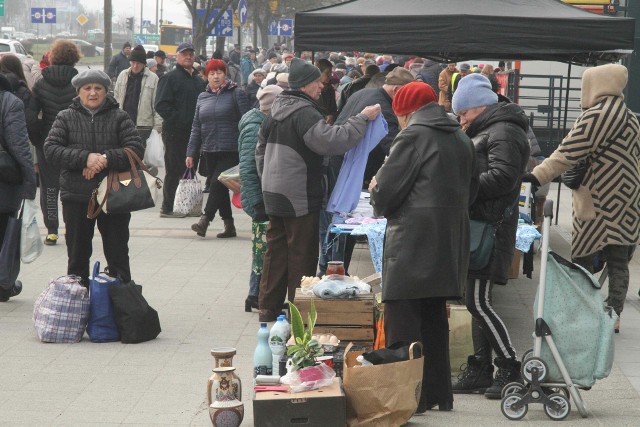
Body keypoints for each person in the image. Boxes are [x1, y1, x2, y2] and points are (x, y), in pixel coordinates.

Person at [369, 81, 475, 413]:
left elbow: (386, 193)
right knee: (433, 317)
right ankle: (438, 394)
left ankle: (410, 397)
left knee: (402, 317)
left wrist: (375, 187)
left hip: (414, 240)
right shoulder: (459, 136)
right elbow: (470, 191)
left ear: (406, 112)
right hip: (448, 239)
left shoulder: (414, 135)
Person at [255, 58, 381, 322]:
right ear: (305, 85)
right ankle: (298, 313)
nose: (321, 88)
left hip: (273, 192)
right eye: (317, 83)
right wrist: (362, 118)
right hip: (298, 194)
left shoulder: (276, 110)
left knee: (275, 251)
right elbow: (332, 141)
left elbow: (260, 153)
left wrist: (267, 179)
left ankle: (267, 308)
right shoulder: (304, 113)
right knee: (302, 252)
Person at [524, 64, 640, 333]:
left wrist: (538, 175)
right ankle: (613, 314)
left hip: (598, 199)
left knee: (584, 257)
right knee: (618, 260)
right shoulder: (630, 117)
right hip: (626, 199)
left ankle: (584, 312)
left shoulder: (597, 115)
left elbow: (568, 151)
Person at [450, 73, 530, 399]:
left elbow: (503, 177)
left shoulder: (504, 131)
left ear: (479, 107)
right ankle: (481, 367)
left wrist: (460, 186)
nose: (461, 119)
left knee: (478, 301)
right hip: (483, 226)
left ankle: (510, 367)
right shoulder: (492, 128)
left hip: (491, 230)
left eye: (464, 113)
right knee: (475, 301)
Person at [43, 70, 145, 286]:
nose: (92, 93)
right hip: (76, 196)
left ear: (106, 91)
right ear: (79, 92)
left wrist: (105, 159)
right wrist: (85, 158)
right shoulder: (65, 117)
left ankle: (121, 309)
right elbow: (51, 149)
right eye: (87, 88)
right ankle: (78, 306)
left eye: (98, 88)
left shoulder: (120, 117)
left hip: (114, 196)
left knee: (118, 257)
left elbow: (136, 148)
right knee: (77, 259)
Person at [186, 59, 250, 238]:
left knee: (216, 184)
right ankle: (229, 226)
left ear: (225, 74)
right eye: (212, 73)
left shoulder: (236, 93)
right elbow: (196, 126)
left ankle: (204, 220)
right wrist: (191, 152)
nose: (216, 76)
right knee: (219, 188)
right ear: (206, 76)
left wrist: (247, 147)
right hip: (209, 149)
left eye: (219, 72)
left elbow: (247, 121)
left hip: (231, 149)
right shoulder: (202, 97)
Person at [30, 40, 81, 246]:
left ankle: (52, 230)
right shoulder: (79, 81)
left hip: (48, 142)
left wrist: (38, 138)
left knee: (49, 187)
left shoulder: (41, 83)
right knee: (74, 185)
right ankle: (73, 227)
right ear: (74, 57)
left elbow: (31, 116)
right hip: (76, 141)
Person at [238, 85, 283, 312]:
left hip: (261, 196)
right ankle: (255, 294)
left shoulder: (259, 121)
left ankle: (255, 294)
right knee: (263, 248)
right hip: (258, 198)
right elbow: (247, 167)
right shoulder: (255, 125)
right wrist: (257, 201)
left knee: (263, 246)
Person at [155, 42, 206, 218]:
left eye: (191, 54)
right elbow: (161, 105)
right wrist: (180, 120)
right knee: (174, 169)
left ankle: (186, 204)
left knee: (190, 168)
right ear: (177, 56)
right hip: (175, 132)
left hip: (195, 132)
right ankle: (167, 207)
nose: (188, 56)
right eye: (184, 54)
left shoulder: (198, 80)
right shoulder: (170, 78)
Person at [0, 74, 37, 302]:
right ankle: (4, 285)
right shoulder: (9, 102)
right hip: (4, 180)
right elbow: (19, 143)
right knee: (5, 233)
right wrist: (29, 179)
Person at [114, 45, 163, 146]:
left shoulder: (153, 78)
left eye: (138, 63)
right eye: (133, 63)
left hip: (144, 126)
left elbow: (157, 104)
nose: (135, 66)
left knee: (140, 157)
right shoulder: (123, 75)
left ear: (144, 64)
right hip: (123, 124)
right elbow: (116, 98)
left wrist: (157, 127)